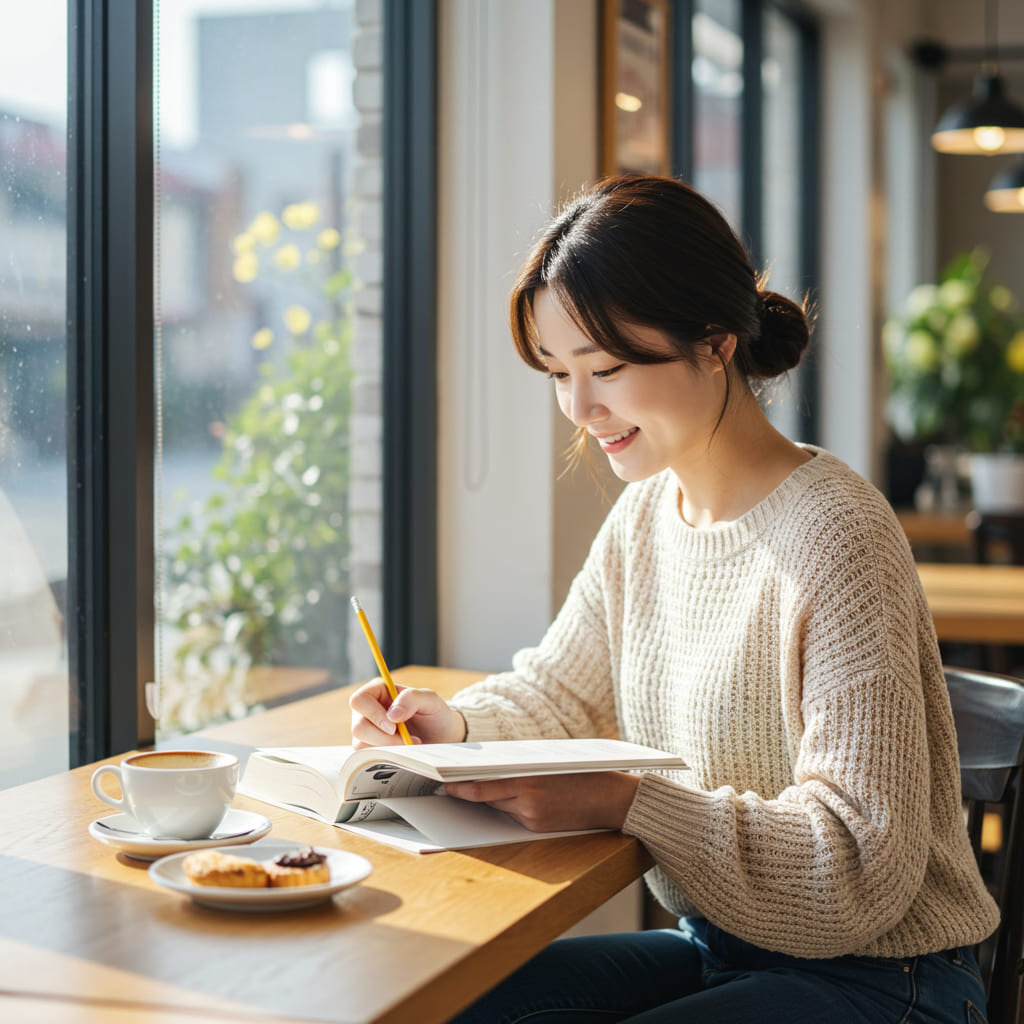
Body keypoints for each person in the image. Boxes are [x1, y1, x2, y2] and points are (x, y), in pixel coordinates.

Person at [349, 175, 998, 1023]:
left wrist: (628, 801)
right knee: (445, 1005)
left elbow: (857, 864)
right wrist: (457, 726)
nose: (581, 408)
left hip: (890, 980)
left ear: (716, 344)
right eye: (559, 373)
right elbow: (562, 694)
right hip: (720, 948)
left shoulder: (839, 534)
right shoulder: (647, 515)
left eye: (607, 369)